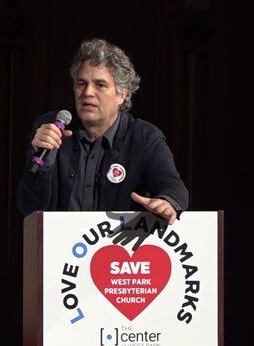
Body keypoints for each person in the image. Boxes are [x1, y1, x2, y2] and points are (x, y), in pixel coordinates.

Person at [17, 38, 188, 224]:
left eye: (100, 85)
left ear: (122, 95)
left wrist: (166, 201)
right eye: (81, 84)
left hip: (119, 250)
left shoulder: (145, 137)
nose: (88, 92)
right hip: (59, 248)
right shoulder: (52, 128)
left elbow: (173, 186)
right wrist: (43, 163)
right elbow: (29, 207)